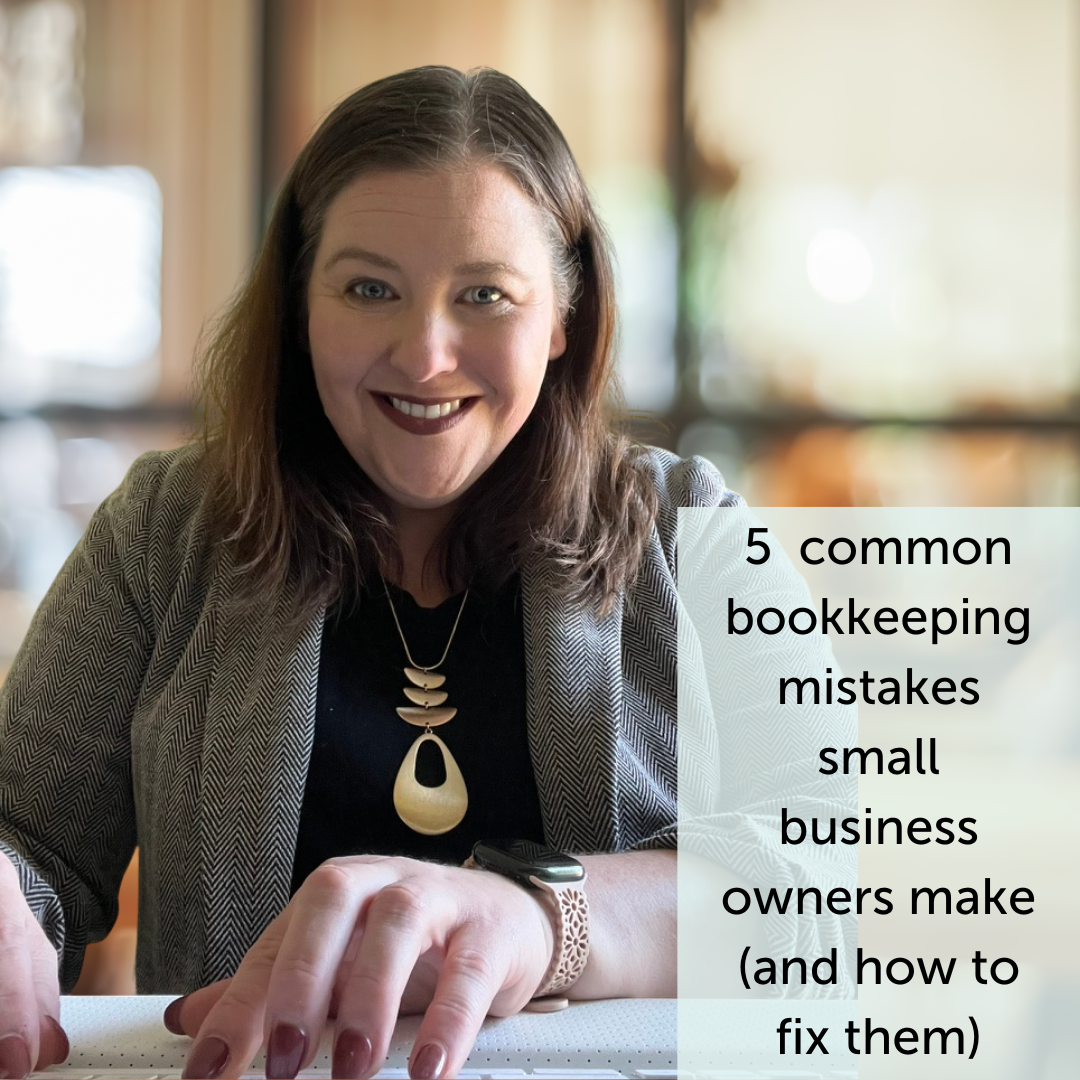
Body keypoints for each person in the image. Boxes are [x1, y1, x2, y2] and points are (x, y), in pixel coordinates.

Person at [0, 66, 853, 1080]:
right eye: (369, 289)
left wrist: (545, 921)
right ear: (300, 306)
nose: (426, 354)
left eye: (485, 294)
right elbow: (30, 845)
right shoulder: (163, 531)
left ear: (564, 318)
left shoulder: (693, 530)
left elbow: (814, 888)